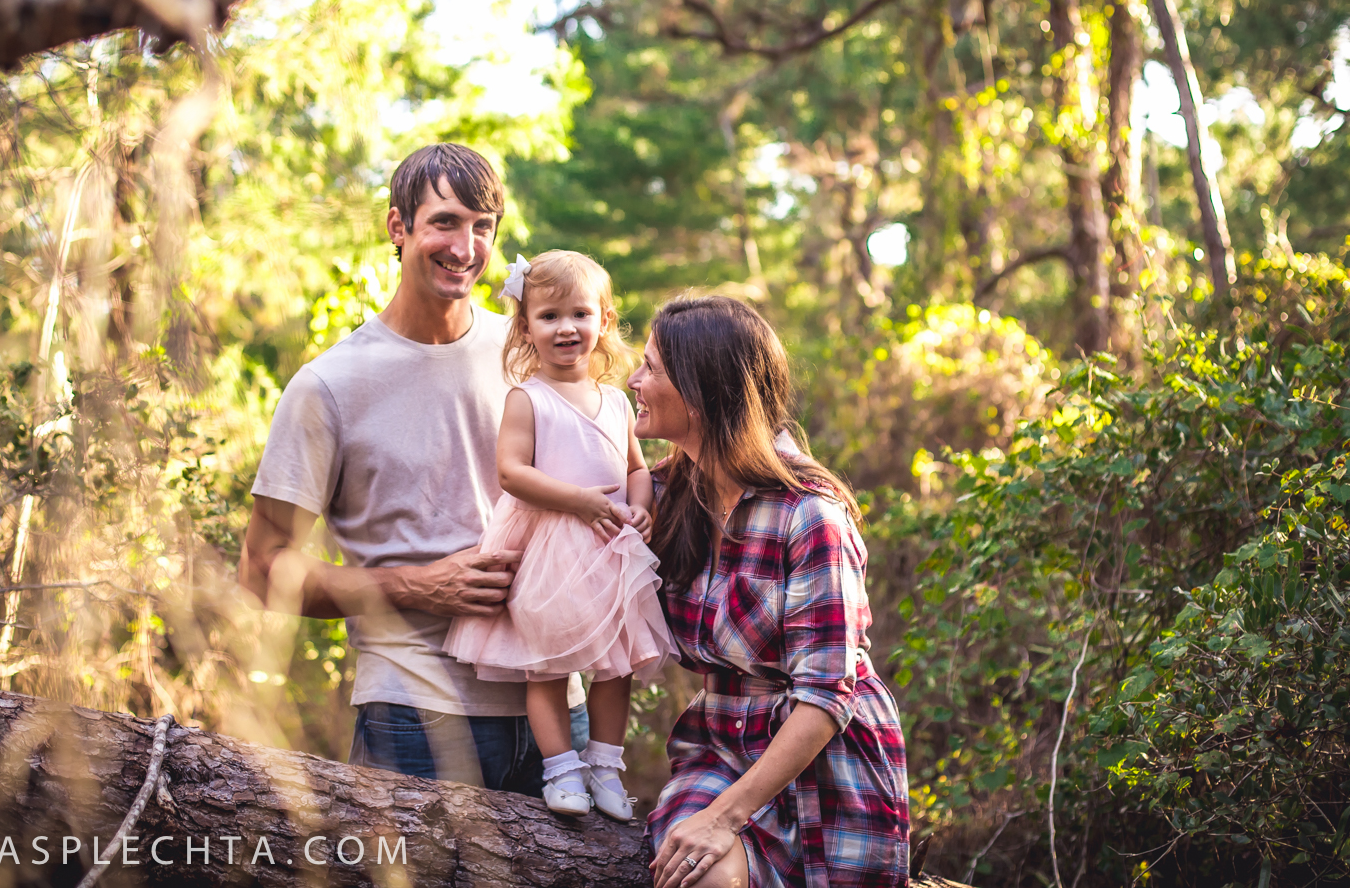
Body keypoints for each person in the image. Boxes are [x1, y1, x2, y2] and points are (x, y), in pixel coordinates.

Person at [238, 142, 582, 798]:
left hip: (557, 708)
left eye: (484, 226)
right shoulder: (329, 387)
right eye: (446, 222)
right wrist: (419, 584)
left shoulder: (530, 352)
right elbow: (261, 570)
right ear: (398, 227)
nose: (466, 246)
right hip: (413, 715)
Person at [628, 296, 910, 888]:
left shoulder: (809, 516)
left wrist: (724, 817)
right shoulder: (663, 495)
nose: (634, 379)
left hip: (827, 765)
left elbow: (828, 695)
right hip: (719, 747)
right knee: (696, 875)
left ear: (702, 392)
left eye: (651, 368)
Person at [444, 250, 677, 820]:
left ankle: (603, 763)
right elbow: (511, 472)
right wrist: (575, 499)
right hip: (551, 544)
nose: (566, 327)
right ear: (525, 327)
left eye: (579, 313)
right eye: (548, 316)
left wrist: (641, 507)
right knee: (546, 666)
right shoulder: (528, 398)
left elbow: (636, 469)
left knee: (615, 664)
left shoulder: (617, 401)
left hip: (608, 549)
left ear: (603, 321)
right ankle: (562, 769)